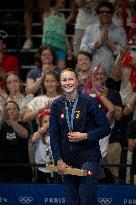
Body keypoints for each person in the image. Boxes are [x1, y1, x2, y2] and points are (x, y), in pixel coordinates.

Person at [49, 68, 111, 205]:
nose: (67, 83)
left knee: (86, 200)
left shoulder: (89, 102)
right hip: (66, 161)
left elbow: (105, 128)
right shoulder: (56, 105)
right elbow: (53, 135)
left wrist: (85, 136)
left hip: (88, 157)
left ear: (77, 81)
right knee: (72, 201)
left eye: (71, 79)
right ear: (60, 83)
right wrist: (58, 159)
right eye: (64, 80)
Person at [80, 1, 127, 79]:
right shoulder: (90, 29)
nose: (105, 14)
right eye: (102, 12)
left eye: (108, 12)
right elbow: (83, 51)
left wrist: (109, 43)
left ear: (112, 14)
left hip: (113, 77)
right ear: (98, 14)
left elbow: (125, 55)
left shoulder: (120, 31)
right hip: (92, 76)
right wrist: (98, 43)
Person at [0, 100, 32, 183]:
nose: (11, 111)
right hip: (4, 170)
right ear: (4, 112)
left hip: (22, 169)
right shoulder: (1, 127)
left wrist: (12, 122)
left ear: (18, 111)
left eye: (14, 108)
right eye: (8, 109)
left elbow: (24, 135)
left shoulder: (25, 124)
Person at [42, 0, 72, 70]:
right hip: (48, 45)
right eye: (62, 1)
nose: (64, 3)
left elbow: (63, 33)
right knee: (48, 69)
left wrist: (69, 48)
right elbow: (46, 4)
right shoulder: (47, 13)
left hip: (61, 46)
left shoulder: (62, 16)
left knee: (61, 70)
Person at [32, 110, 54, 183]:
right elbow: (33, 139)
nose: (48, 123)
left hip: (54, 168)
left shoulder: (56, 136)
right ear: (41, 124)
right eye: (45, 121)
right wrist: (43, 128)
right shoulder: (38, 135)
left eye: (50, 120)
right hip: (41, 168)